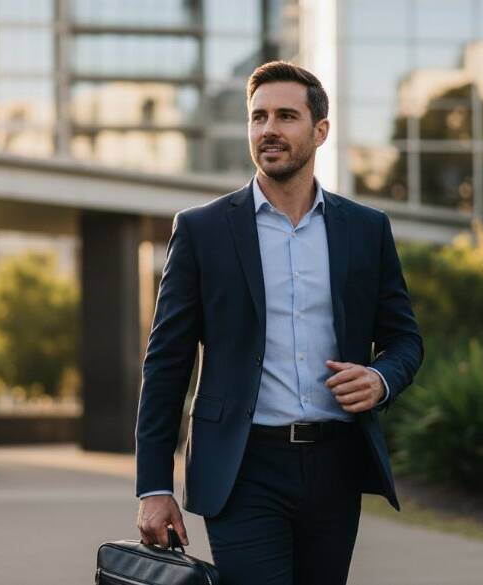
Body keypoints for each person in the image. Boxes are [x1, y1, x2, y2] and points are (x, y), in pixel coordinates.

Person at [135, 61, 424, 585]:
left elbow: (404, 338)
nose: (268, 129)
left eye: (286, 116)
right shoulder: (202, 230)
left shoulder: (366, 229)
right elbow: (166, 364)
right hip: (242, 467)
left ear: (320, 131)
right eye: (258, 117)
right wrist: (154, 486)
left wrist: (380, 379)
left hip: (336, 465)